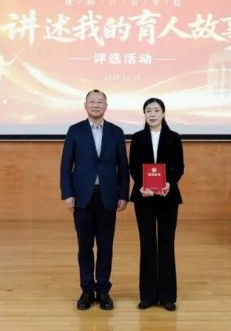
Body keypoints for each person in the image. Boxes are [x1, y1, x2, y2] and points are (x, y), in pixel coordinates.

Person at [60, 89, 129, 311]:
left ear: (106, 106)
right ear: (85, 105)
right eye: (92, 101)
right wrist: (67, 193)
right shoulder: (75, 130)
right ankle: (87, 290)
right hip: (82, 198)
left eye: (100, 102)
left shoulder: (116, 132)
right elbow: (66, 166)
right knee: (85, 246)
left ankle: (104, 291)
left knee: (106, 246)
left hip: (108, 197)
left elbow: (123, 167)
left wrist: (123, 194)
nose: (96, 105)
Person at [128, 97, 184, 311]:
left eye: (156, 110)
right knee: (147, 244)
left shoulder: (174, 137)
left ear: (163, 113)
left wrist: (169, 183)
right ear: (144, 114)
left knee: (167, 244)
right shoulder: (137, 137)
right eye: (148, 110)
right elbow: (133, 166)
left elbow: (179, 166)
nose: (152, 114)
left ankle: (168, 296)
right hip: (144, 197)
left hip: (169, 197)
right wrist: (142, 185)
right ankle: (148, 296)